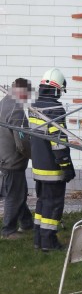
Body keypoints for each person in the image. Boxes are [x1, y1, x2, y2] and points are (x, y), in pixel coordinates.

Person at [29, 68, 76, 251]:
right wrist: (67, 167)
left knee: (42, 203)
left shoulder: (34, 107)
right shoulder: (55, 110)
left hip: (38, 166)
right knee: (54, 205)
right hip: (52, 167)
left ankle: (38, 240)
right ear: (57, 89)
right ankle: (49, 242)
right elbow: (59, 144)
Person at [0, 78, 33, 240]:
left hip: (3, 157)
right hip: (13, 161)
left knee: (19, 192)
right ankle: (8, 230)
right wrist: (34, 156)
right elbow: (22, 143)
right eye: (27, 94)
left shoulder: (3, 103)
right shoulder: (16, 111)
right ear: (21, 92)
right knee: (14, 195)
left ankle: (27, 223)